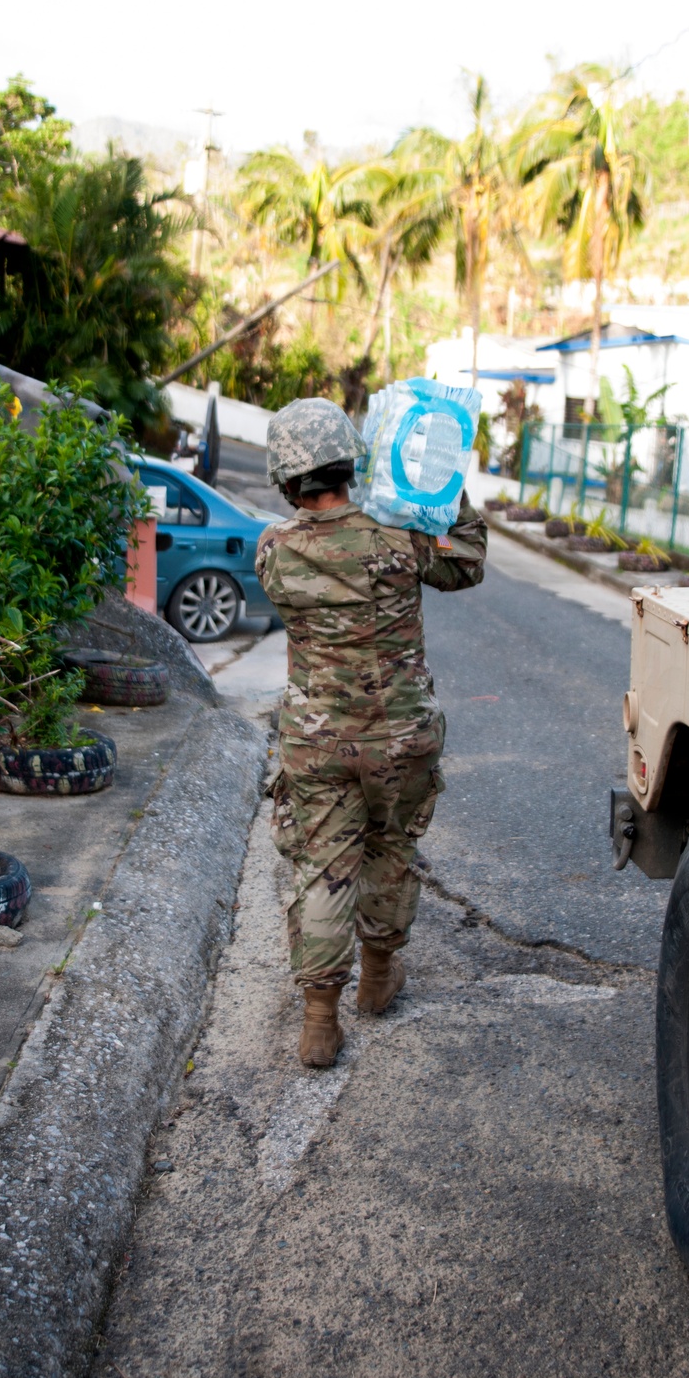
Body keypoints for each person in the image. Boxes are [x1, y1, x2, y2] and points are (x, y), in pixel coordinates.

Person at [256, 396, 488, 1069]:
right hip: (402, 738)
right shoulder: (401, 538)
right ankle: (379, 981)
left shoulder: (275, 551)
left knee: (324, 866)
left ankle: (319, 1022)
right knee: (390, 850)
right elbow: (465, 561)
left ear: (285, 477)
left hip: (318, 742)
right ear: (352, 463)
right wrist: (441, 482)